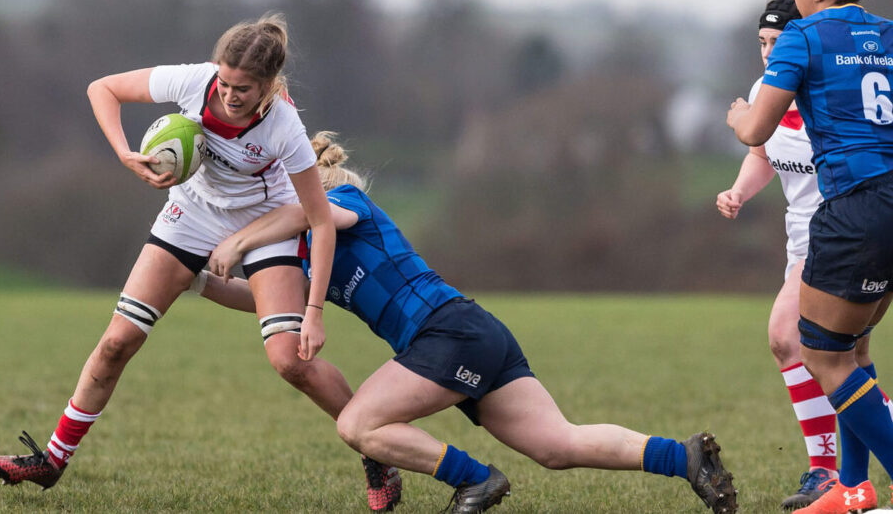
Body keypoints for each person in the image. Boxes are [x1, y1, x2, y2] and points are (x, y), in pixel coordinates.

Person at [194, 131, 739, 513]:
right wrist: (196, 279)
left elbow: (314, 215)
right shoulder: (313, 257)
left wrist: (242, 238)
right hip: (468, 334)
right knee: (557, 446)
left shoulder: (342, 199)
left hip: (446, 331)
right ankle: (684, 457)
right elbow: (267, 303)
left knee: (358, 426)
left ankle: (475, 481)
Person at [0, 14, 403, 512]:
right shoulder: (194, 80)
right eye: (224, 82)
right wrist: (123, 152)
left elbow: (320, 220)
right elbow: (103, 88)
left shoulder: (284, 126)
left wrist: (314, 313)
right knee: (118, 341)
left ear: (269, 87)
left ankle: (377, 451)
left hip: (265, 221)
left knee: (290, 361)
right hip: (191, 215)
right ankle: (51, 461)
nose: (228, 95)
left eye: (243, 88)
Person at [727, 0, 893, 512]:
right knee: (854, 352)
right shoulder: (889, 33)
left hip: (854, 209)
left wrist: (734, 118)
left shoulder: (805, 34)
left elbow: (756, 130)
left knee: (820, 354)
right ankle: (852, 487)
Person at [716, 0, 859, 510]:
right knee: (840, 361)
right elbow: (762, 155)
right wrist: (738, 191)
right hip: (801, 240)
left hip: (842, 236)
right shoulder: (765, 91)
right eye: (763, 43)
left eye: (779, 43)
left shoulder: (832, 93)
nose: (769, 53)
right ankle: (839, 474)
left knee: (786, 336)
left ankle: (826, 472)